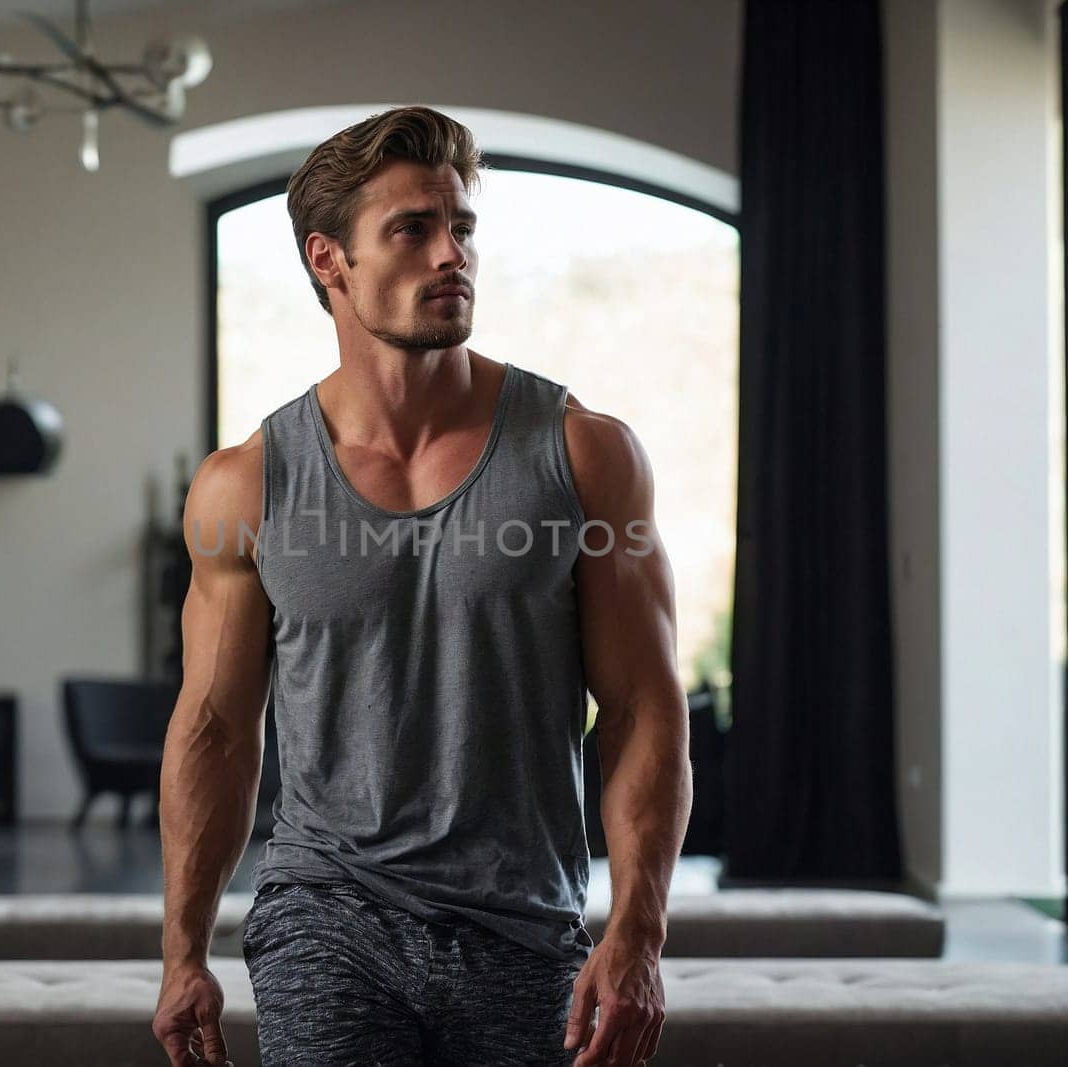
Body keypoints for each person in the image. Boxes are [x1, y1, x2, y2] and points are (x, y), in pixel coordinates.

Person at [152, 105, 690, 1067]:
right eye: (412, 229)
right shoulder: (246, 484)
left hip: (524, 927)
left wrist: (638, 933)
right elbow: (216, 729)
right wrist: (182, 949)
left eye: (464, 226)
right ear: (330, 261)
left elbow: (646, 705)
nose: (453, 255)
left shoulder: (586, 454)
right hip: (328, 915)